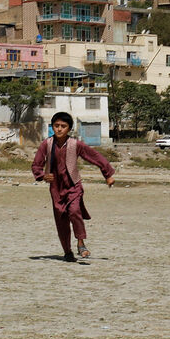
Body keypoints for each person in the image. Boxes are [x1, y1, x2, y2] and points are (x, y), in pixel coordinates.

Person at [30, 112, 115, 262]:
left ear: (69, 128)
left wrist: (107, 174)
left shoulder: (76, 144)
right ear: (52, 127)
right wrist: (42, 175)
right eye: (56, 125)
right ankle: (67, 251)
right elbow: (36, 164)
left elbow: (94, 157)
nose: (59, 129)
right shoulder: (47, 144)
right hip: (56, 188)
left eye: (63, 126)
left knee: (75, 211)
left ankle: (81, 243)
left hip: (73, 185)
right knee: (61, 219)